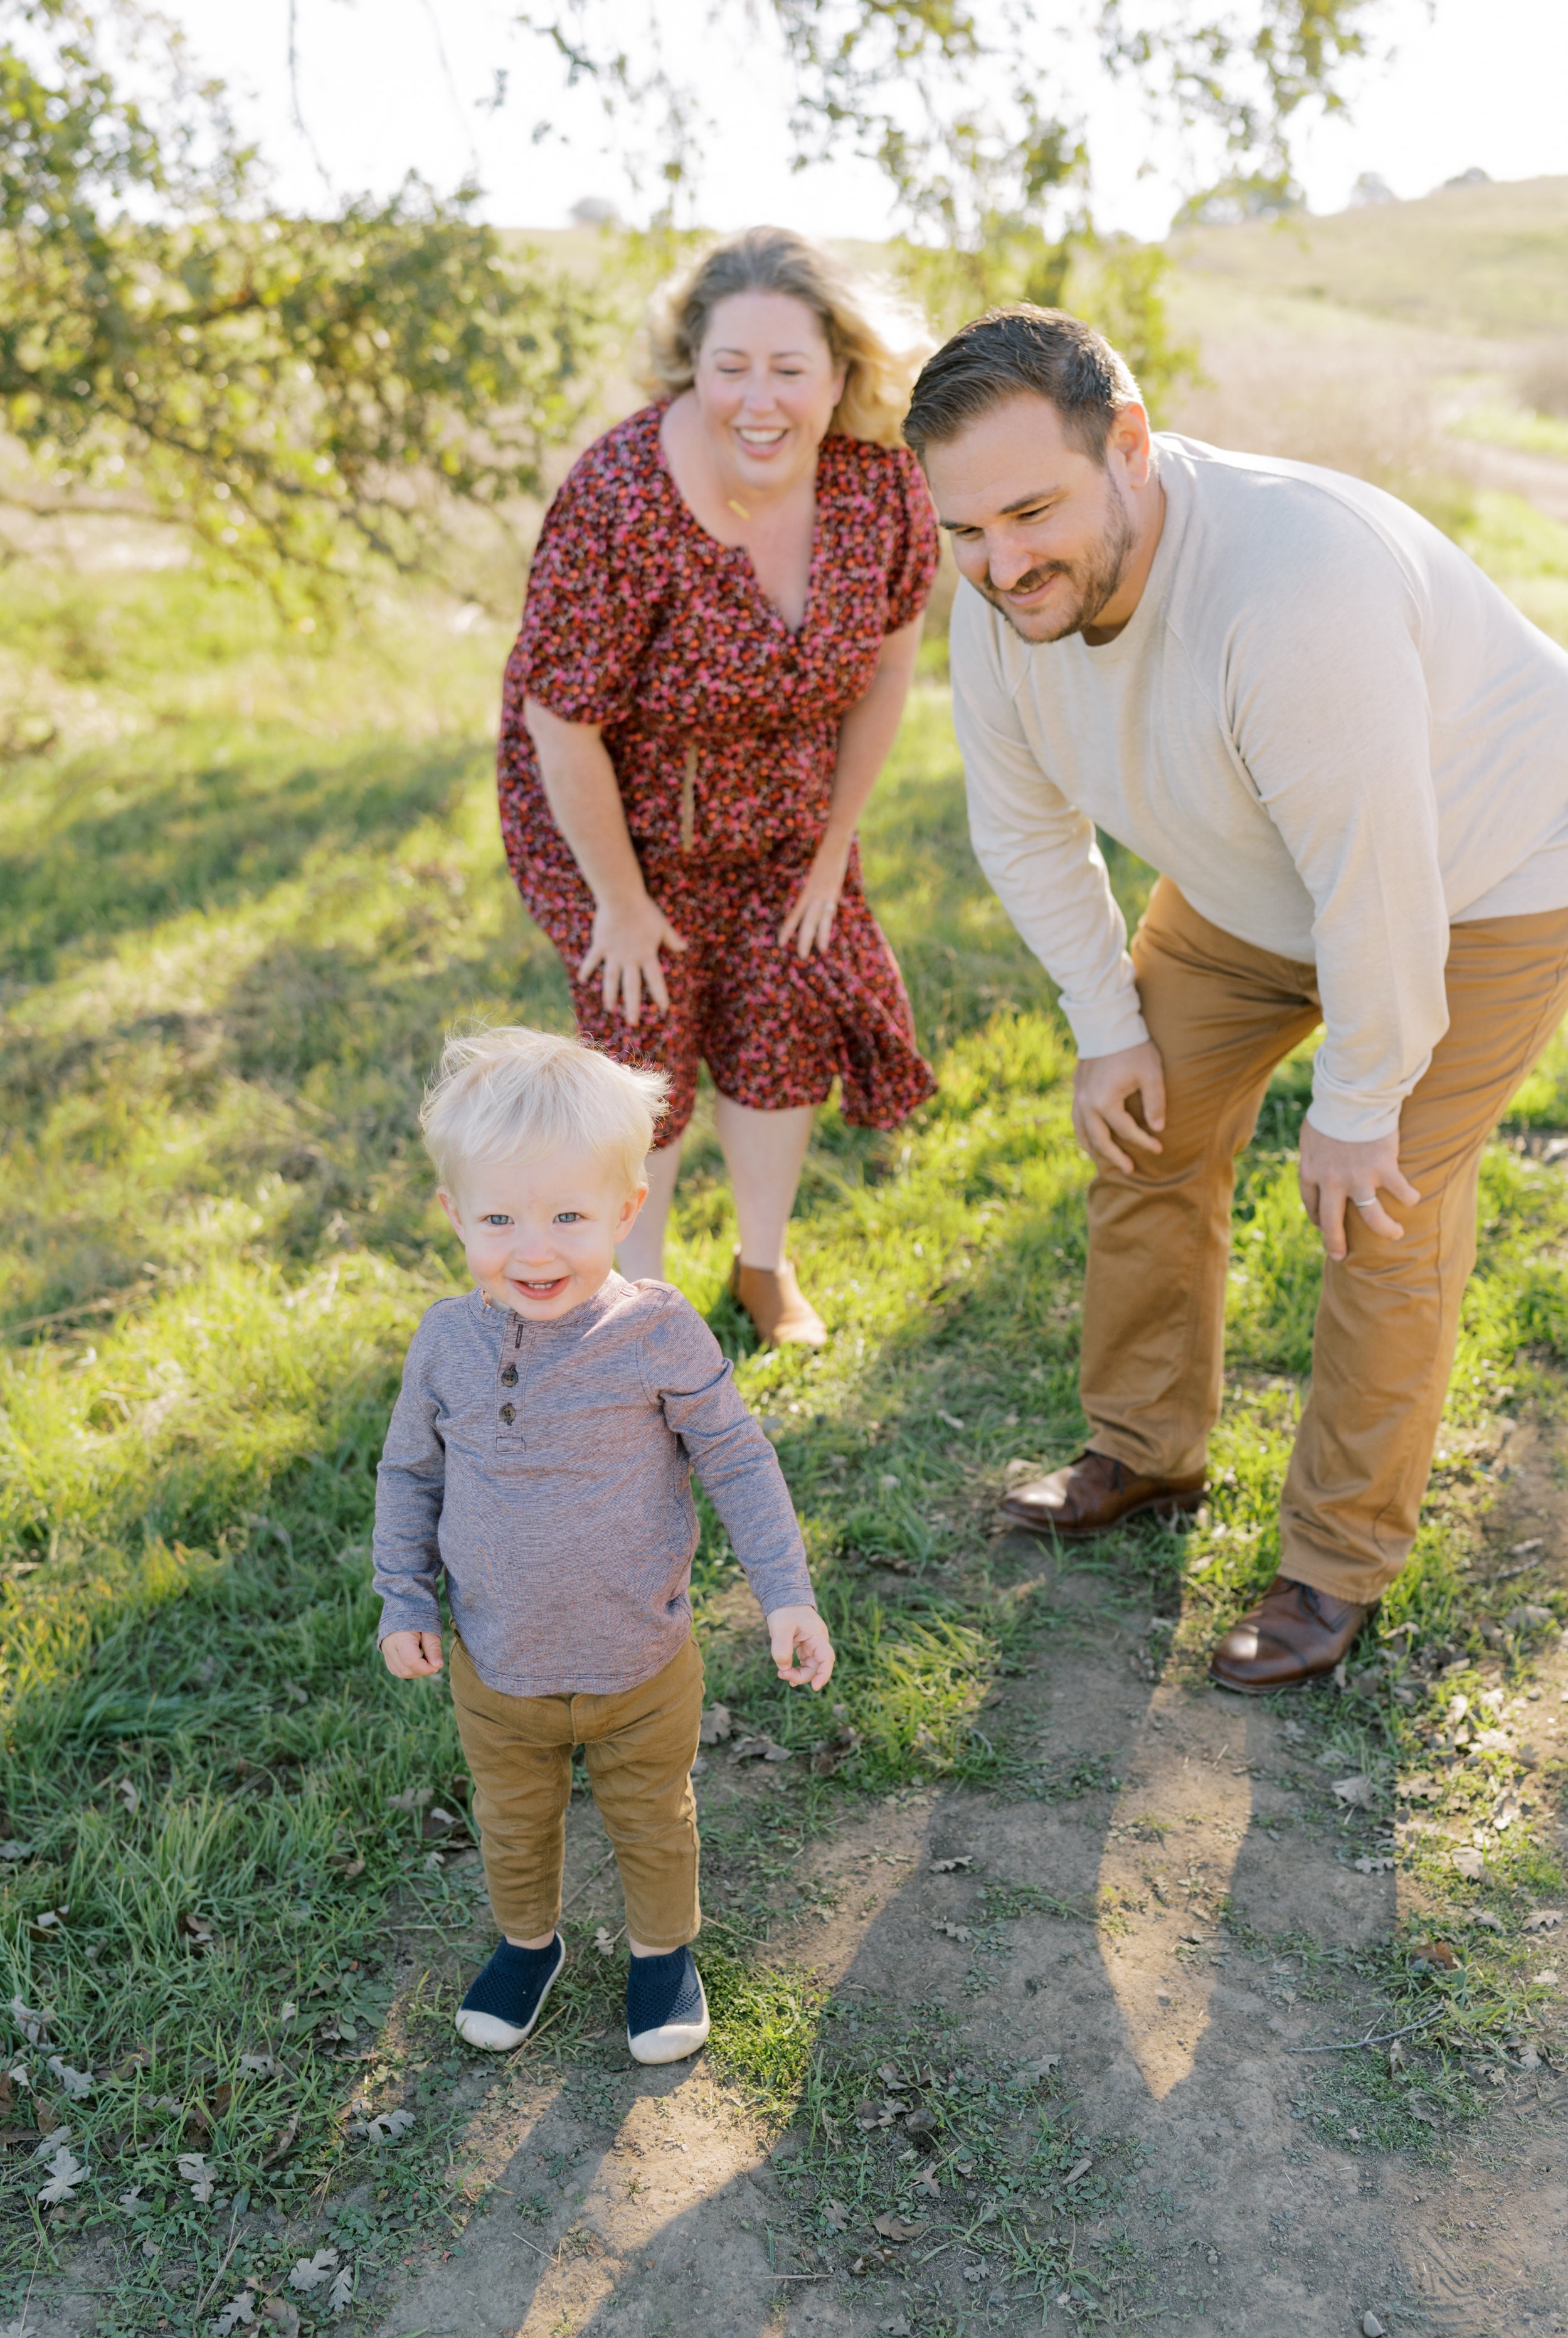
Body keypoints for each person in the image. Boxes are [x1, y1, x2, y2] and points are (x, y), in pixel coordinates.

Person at [904, 305, 1568, 1694]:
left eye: (1030, 510)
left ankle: (1332, 1565)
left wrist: (1359, 1102)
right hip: (1244, 881)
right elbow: (1023, 831)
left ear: (1129, 448)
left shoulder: (1290, 588)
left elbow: (1377, 877)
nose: (1000, 560)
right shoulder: (999, 596)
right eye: (965, 530)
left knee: (1374, 1212)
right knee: (1145, 1127)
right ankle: (1144, 1449)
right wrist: (1104, 1028)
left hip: (1476, 880)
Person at [498, 226, 940, 1348]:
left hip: (789, 807)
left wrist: (837, 845)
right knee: (642, 1043)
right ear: (691, 363)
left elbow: (890, 662)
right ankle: (634, 1306)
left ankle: (762, 1266)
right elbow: (560, 717)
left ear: (842, 374)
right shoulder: (621, 493)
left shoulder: (878, 484)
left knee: (784, 1016)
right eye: (729, 365)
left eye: (790, 369)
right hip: (623, 818)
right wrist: (620, 898)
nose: (759, 399)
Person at [372, 1026, 834, 2059]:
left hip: (641, 1660)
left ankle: (662, 1954)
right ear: (454, 1214)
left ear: (629, 1209)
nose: (534, 1250)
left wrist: (786, 1592)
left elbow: (737, 1460)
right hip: (499, 1662)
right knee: (513, 1817)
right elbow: (410, 1475)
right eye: (499, 1218)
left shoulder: (658, 1331)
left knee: (652, 1816)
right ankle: (529, 1943)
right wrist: (404, 1596)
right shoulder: (446, 1342)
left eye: (569, 1217)